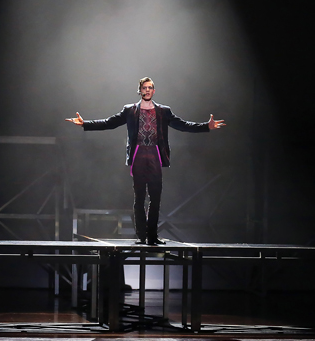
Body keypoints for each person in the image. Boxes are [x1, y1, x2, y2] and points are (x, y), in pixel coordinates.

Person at [66, 77, 225, 245]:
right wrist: (85, 124)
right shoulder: (130, 110)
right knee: (139, 198)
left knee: (155, 197)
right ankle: (142, 236)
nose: (147, 90)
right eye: (144, 87)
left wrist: (206, 126)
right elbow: (110, 123)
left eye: (150, 88)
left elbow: (183, 125)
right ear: (139, 90)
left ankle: (152, 237)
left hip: (155, 155)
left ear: (154, 91)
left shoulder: (163, 111)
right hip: (138, 155)